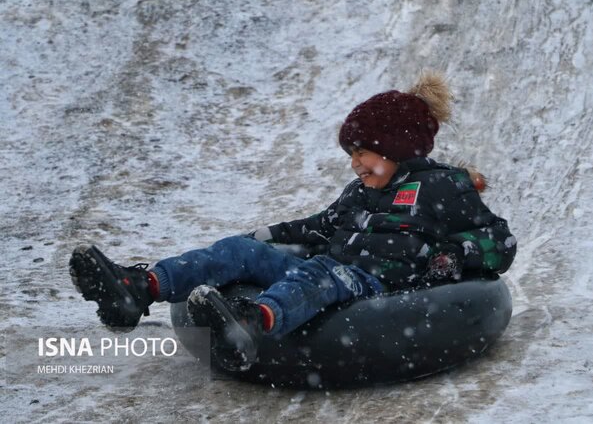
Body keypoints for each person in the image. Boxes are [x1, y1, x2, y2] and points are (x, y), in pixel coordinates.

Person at [69, 72, 516, 371]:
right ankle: (138, 289)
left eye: (363, 152)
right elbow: (318, 228)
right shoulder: (360, 192)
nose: (356, 163)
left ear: (399, 147)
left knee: (320, 274)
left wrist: (457, 253)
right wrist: (261, 237)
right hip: (331, 270)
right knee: (240, 252)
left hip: (378, 285)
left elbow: (500, 240)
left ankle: (250, 324)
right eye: (351, 155)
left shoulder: (443, 187)